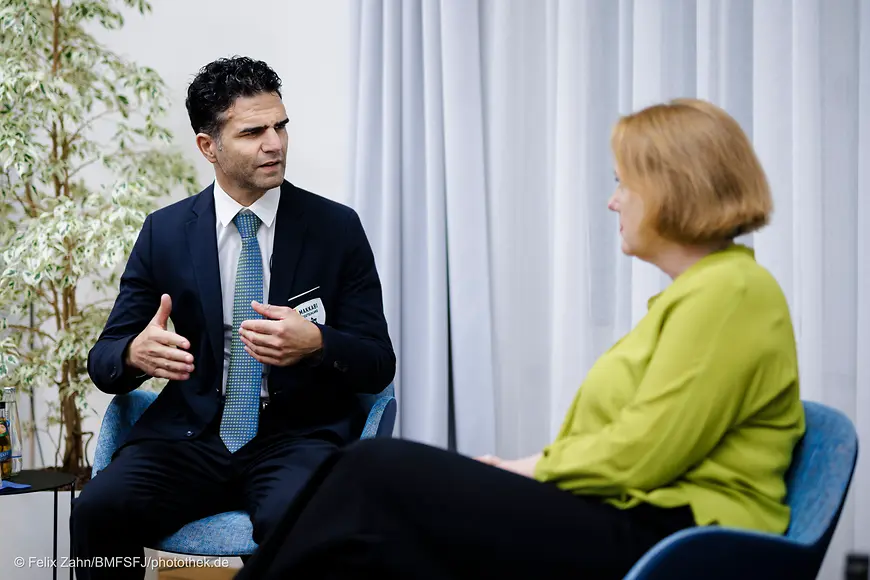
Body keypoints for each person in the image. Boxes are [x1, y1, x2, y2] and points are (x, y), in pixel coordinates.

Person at [235, 98, 806, 580]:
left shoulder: (731, 293)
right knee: (371, 514)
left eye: (623, 184)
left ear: (673, 189)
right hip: (632, 513)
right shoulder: (704, 293)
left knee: (372, 470)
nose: (614, 200)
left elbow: (643, 452)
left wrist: (520, 470)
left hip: (674, 537)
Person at [71, 56, 395, 580]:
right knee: (98, 512)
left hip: (297, 436)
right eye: (253, 132)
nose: (276, 143)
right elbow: (104, 359)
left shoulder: (336, 228)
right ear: (208, 147)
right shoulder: (165, 232)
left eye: (281, 125)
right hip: (191, 436)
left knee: (303, 526)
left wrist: (316, 343)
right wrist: (135, 353)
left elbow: (378, 363)